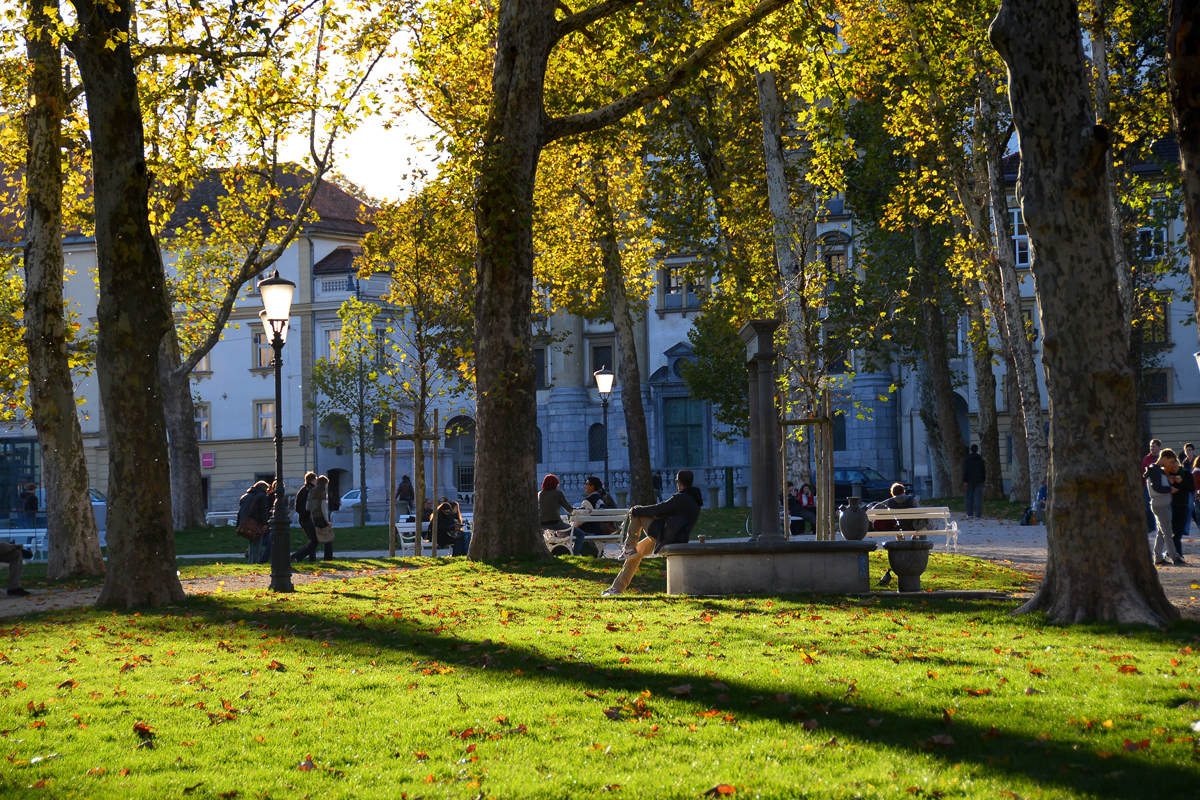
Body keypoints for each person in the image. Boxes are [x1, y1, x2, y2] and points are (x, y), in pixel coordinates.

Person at [605, 470, 703, 596]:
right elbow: (665, 512)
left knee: (637, 514)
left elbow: (659, 509)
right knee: (635, 555)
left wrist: (636, 509)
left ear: (679, 482)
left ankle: (629, 546)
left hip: (667, 536)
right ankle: (617, 588)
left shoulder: (682, 498)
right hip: (672, 536)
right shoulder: (694, 499)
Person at [1146, 449, 1183, 566]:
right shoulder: (1155, 470)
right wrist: (1169, 489)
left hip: (1161, 504)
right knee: (1167, 531)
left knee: (1162, 532)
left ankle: (1157, 557)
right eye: (1170, 462)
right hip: (1161, 505)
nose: (1170, 465)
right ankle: (1174, 556)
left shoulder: (1156, 470)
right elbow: (1157, 488)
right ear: (1165, 458)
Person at [571, 477, 608, 556]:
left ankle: (573, 552)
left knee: (570, 529)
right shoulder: (600, 500)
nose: (585, 486)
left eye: (586, 484)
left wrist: (573, 524)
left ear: (592, 487)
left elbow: (581, 521)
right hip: (598, 529)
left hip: (588, 530)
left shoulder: (588, 501)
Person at [237, 481, 271, 563]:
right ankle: (254, 563)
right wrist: (266, 523)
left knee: (252, 545)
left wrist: (238, 525)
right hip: (256, 523)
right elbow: (263, 510)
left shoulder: (246, 496)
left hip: (246, 523)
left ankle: (250, 562)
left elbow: (240, 511)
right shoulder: (262, 496)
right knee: (257, 545)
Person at [291, 472, 318, 562]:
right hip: (309, 518)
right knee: (314, 541)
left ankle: (312, 559)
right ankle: (297, 557)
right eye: (316, 479)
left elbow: (297, 507)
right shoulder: (313, 490)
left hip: (302, 518)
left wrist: (302, 512)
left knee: (312, 540)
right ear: (313, 480)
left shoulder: (301, 490)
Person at [1172, 456, 1195, 560]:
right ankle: (1177, 554)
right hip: (1171, 505)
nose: (1174, 468)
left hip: (1183, 505)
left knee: (1179, 532)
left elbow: (1191, 488)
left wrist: (1181, 483)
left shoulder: (1186, 473)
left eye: (1176, 466)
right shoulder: (1169, 475)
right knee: (1174, 532)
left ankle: (1176, 553)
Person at [307, 476, 334, 561]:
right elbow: (323, 508)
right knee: (328, 538)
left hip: (313, 518)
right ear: (324, 484)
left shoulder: (310, 492)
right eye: (327, 484)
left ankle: (297, 556)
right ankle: (328, 558)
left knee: (314, 542)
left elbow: (307, 507)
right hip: (321, 518)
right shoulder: (322, 493)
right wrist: (327, 520)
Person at [962, 444, 986, 519]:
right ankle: (978, 515)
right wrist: (983, 480)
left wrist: (965, 480)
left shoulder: (967, 459)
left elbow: (965, 471)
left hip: (969, 480)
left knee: (969, 497)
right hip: (978, 480)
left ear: (971, 449)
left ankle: (970, 514)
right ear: (977, 449)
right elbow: (983, 471)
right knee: (978, 498)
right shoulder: (980, 460)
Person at [1143, 439, 1162, 533]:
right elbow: (1143, 473)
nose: (1152, 448)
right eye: (1151, 446)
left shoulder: (1163, 458)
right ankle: (1151, 525)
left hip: (1161, 483)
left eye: (1154, 446)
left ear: (1159, 447)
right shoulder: (1147, 459)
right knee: (1147, 504)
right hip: (1148, 485)